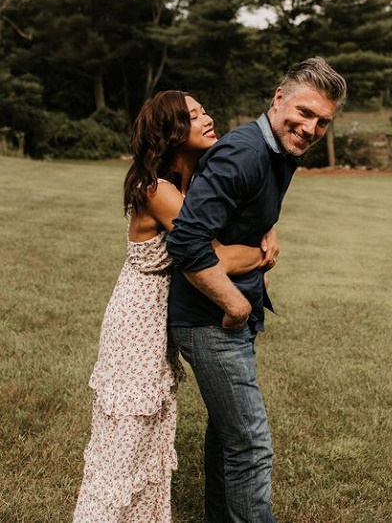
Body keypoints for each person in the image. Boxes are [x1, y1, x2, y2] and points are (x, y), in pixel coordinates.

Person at [73, 90, 278, 523]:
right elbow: (214, 256)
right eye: (193, 116)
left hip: (160, 320)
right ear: (170, 133)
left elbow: (236, 220)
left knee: (150, 432)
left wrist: (267, 227)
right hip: (137, 321)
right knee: (127, 434)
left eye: (205, 110)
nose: (207, 118)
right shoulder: (158, 191)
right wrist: (261, 251)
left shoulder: (194, 183)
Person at [166, 57, 347, 522]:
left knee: (228, 437)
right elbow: (185, 242)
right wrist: (234, 303)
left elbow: (242, 208)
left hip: (226, 316)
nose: (310, 128)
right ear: (278, 99)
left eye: (322, 122)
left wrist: (266, 228)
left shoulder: (278, 150)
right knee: (251, 445)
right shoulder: (244, 152)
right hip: (210, 320)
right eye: (304, 113)